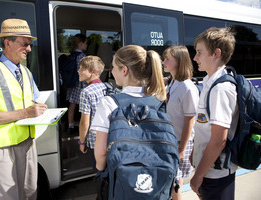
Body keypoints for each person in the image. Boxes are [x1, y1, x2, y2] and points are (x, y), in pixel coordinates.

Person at [0, 18, 47, 200]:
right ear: (7, 42)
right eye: (25, 44)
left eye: (30, 45)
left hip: (28, 142)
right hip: (4, 147)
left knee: (30, 192)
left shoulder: (25, 72)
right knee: (11, 196)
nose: (29, 49)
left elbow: (34, 101)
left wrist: (41, 109)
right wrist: (27, 113)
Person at [90, 44, 166, 174]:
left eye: (114, 67)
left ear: (124, 70)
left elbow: (102, 151)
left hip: (123, 177)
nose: (112, 71)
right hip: (155, 174)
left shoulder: (109, 102)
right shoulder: (159, 101)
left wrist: (100, 170)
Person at [190, 27, 239, 200]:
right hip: (208, 168)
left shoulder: (221, 88)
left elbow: (219, 140)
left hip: (216, 174)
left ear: (216, 53)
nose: (195, 58)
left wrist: (198, 175)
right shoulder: (209, 82)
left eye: (199, 52)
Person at [162, 46, 199, 200]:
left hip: (179, 141)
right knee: (174, 180)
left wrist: (182, 149)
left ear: (179, 61)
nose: (163, 62)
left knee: (175, 182)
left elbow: (190, 120)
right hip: (170, 139)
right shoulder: (172, 83)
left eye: (167, 59)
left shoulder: (187, 87)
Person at [77, 56, 107, 172]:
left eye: (82, 68)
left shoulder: (86, 92)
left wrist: (82, 142)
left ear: (93, 72)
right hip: (108, 137)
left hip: (94, 142)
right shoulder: (106, 87)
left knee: (99, 172)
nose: (78, 71)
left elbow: (84, 122)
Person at [66, 34, 88, 133]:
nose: (87, 45)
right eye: (86, 43)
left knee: (72, 105)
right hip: (80, 85)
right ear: (81, 43)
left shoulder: (72, 55)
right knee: (84, 107)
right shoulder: (82, 56)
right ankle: (84, 127)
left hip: (72, 84)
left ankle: (70, 126)